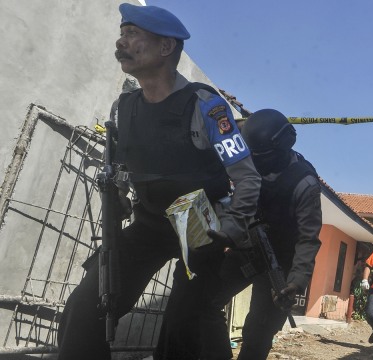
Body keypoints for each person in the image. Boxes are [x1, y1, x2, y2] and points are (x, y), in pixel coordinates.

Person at [56, 4, 261, 360]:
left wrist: (230, 226)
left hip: (194, 219)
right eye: (122, 32)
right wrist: (116, 201)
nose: (121, 41)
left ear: (165, 48)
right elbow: (117, 170)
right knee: (85, 309)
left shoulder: (206, 106)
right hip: (149, 218)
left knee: (188, 319)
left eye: (133, 34)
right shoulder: (123, 108)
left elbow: (247, 178)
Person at [206, 108, 323, 360]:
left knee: (258, 335)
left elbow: (308, 238)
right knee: (205, 301)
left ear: (280, 149)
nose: (254, 160)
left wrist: (296, 281)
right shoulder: (248, 151)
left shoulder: (305, 183)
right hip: (246, 250)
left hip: (280, 265)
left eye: (261, 155)